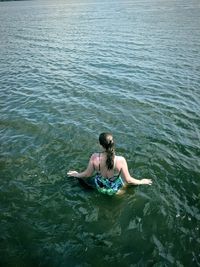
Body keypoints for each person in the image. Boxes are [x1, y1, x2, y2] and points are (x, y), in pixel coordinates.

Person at [67, 132, 152, 195]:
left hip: (100, 187)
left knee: (85, 181)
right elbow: (128, 180)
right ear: (112, 144)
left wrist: (76, 174)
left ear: (101, 145)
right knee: (126, 186)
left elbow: (87, 174)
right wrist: (142, 181)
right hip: (115, 191)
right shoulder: (121, 160)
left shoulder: (94, 157)